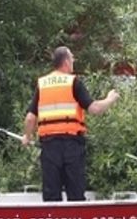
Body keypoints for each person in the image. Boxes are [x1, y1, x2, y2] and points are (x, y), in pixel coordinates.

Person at [21, 46, 119, 202]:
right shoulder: (73, 82)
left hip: (49, 147)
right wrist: (110, 99)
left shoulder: (43, 84)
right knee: (75, 194)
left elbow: (30, 119)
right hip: (71, 146)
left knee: (51, 196)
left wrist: (27, 136)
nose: (73, 61)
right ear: (66, 61)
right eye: (72, 58)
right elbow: (94, 109)